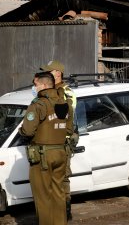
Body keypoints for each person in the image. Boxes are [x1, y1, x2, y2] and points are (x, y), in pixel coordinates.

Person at [19, 72, 73, 225]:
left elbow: (28, 131)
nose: (34, 88)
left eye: (35, 85)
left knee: (43, 197)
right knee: (59, 194)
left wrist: (21, 131)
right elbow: (69, 130)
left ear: (43, 85)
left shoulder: (39, 105)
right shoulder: (65, 103)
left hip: (42, 156)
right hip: (62, 153)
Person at [40, 60, 77, 221]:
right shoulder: (45, 91)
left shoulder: (67, 93)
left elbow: (65, 115)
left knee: (62, 178)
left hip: (62, 141)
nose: (46, 74)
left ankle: (65, 211)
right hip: (46, 141)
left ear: (57, 73)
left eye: (49, 71)